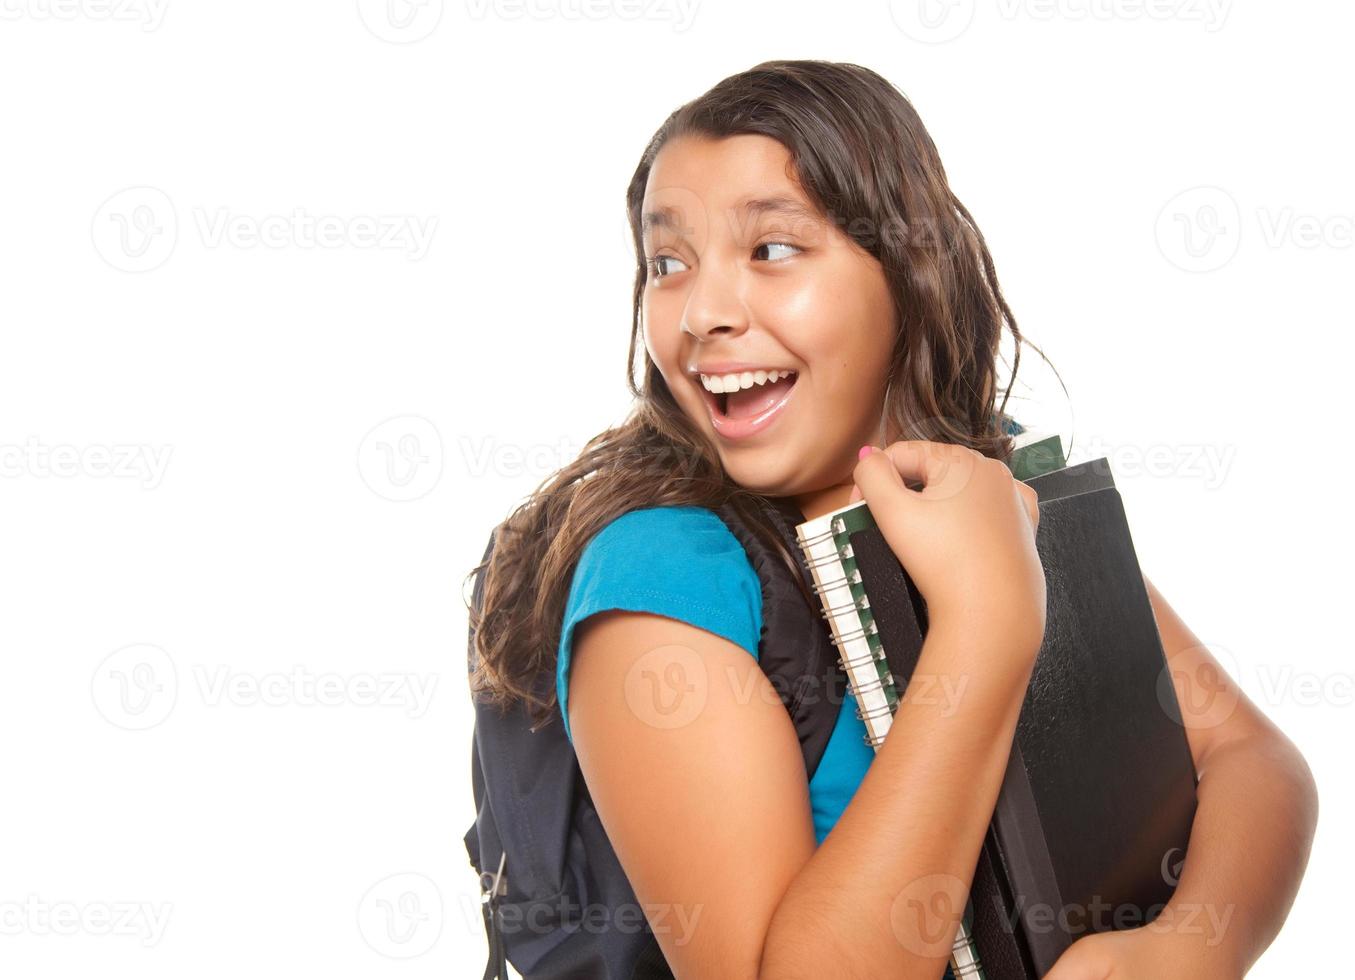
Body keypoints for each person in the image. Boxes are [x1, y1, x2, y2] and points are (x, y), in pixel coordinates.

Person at [467, 59, 1317, 978]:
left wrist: (1187, 947)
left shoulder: (973, 487)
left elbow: (1250, 757)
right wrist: (986, 627)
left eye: (772, 250)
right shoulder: (662, 579)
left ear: (906, 269)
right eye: (667, 264)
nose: (702, 313)